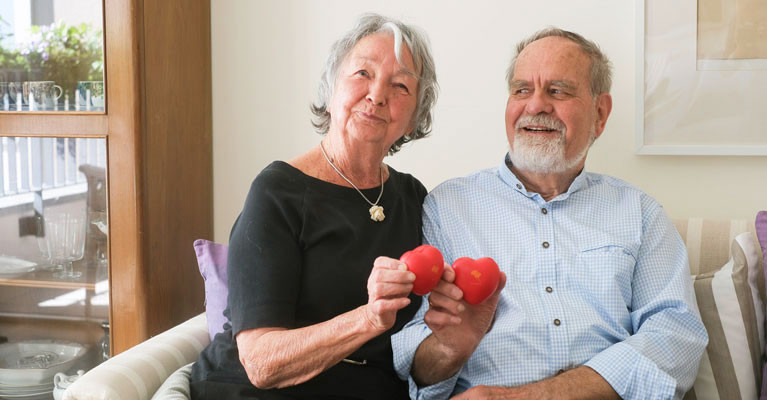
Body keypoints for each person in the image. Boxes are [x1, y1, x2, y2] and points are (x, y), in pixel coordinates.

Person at [390, 27, 708, 400]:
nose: (535, 105)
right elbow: (416, 365)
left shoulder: (639, 212)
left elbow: (675, 339)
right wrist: (449, 349)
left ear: (600, 113)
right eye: (522, 89)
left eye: (557, 91)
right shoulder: (447, 207)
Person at [190, 13, 438, 399]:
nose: (377, 95)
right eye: (362, 74)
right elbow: (261, 362)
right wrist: (368, 319)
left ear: (413, 118)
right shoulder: (279, 192)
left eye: (400, 85)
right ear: (331, 86)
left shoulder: (414, 199)